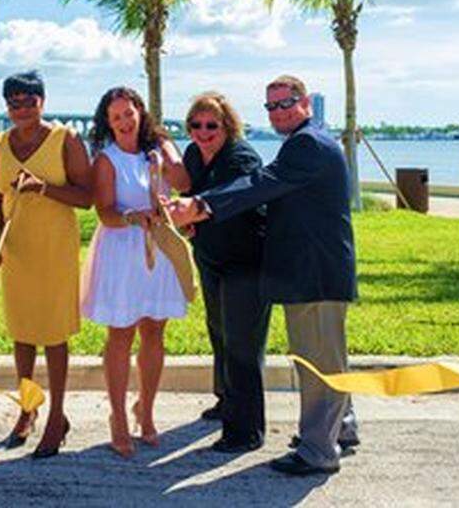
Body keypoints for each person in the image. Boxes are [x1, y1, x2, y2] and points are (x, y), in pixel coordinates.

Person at [166, 75, 359, 476]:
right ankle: (341, 427)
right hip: (311, 270)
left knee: (318, 360)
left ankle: (318, 451)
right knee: (325, 356)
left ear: (305, 101)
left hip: (315, 271)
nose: (278, 112)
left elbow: (262, 183)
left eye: (286, 103)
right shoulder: (309, 142)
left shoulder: (308, 143)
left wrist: (202, 204)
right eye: (271, 106)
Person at [82, 86, 190, 458]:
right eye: (116, 117)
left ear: (140, 113)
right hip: (123, 248)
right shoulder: (107, 160)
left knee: (155, 330)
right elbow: (105, 213)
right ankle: (118, 417)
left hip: (159, 246)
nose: (124, 122)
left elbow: (184, 183)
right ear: (108, 124)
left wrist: (166, 149)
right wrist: (133, 216)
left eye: (129, 113)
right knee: (121, 334)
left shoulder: (156, 150)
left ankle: (146, 409)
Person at [0, 71, 92, 458]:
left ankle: (58, 416)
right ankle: (28, 408)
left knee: (53, 334)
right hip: (17, 249)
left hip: (54, 249)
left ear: (42, 102)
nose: (21, 108)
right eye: (13, 102)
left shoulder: (66, 139)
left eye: (29, 100)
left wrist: (43, 188)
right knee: (22, 332)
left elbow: (87, 197)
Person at [181, 92, 270, 453]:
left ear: (227, 126)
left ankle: (246, 431)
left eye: (211, 126)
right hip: (211, 256)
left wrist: (194, 215)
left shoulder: (242, 157)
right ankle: (226, 402)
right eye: (196, 125)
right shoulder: (192, 155)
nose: (203, 132)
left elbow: (232, 200)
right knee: (218, 331)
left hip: (246, 260)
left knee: (243, 344)